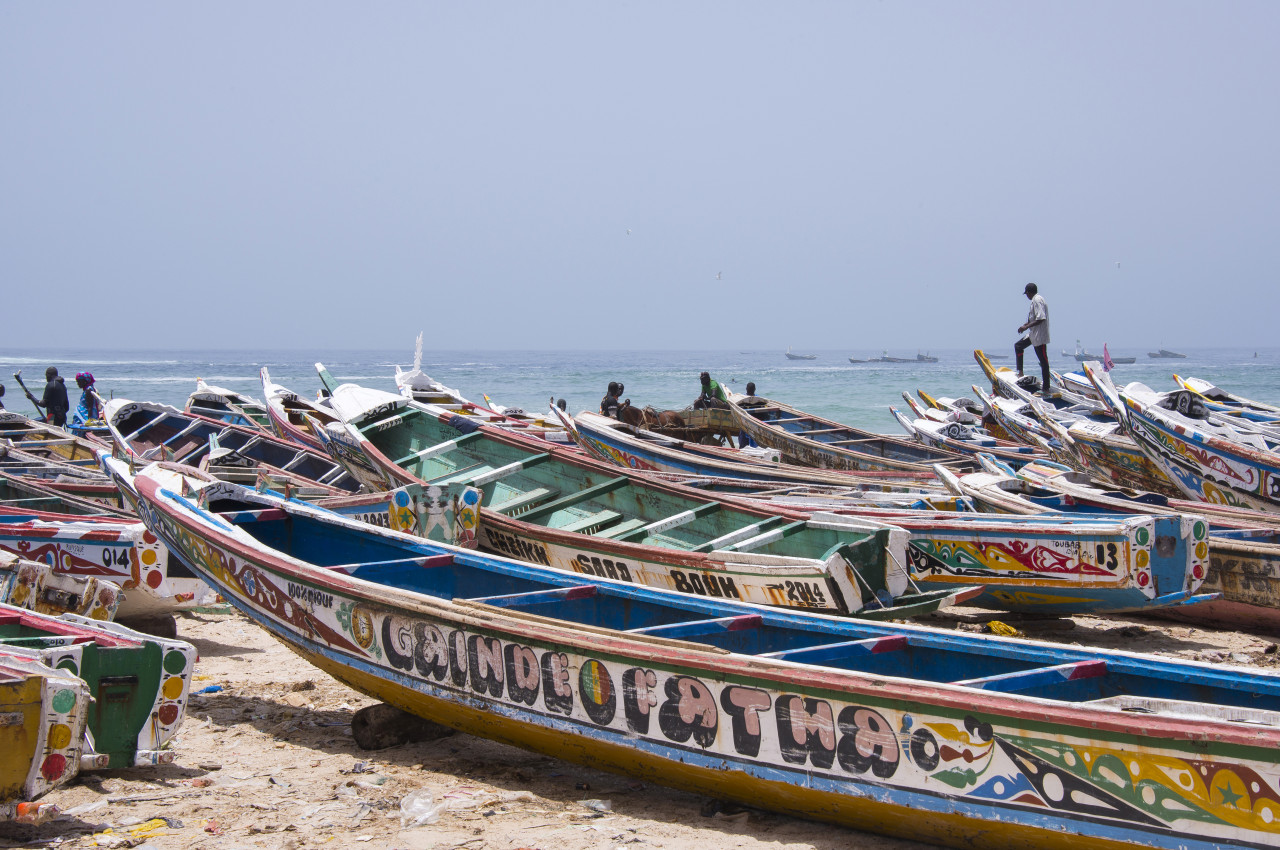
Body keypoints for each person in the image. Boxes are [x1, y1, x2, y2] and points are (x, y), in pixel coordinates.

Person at [1014, 282, 1051, 395]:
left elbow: (1041, 318)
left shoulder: (1037, 300)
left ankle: (1046, 388)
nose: (1026, 296)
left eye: (1027, 294)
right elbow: (1032, 319)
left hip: (1039, 336)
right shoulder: (1034, 301)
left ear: (1029, 293)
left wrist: (1026, 327)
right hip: (1033, 334)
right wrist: (1024, 325)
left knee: (1043, 361)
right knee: (1018, 346)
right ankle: (1020, 372)